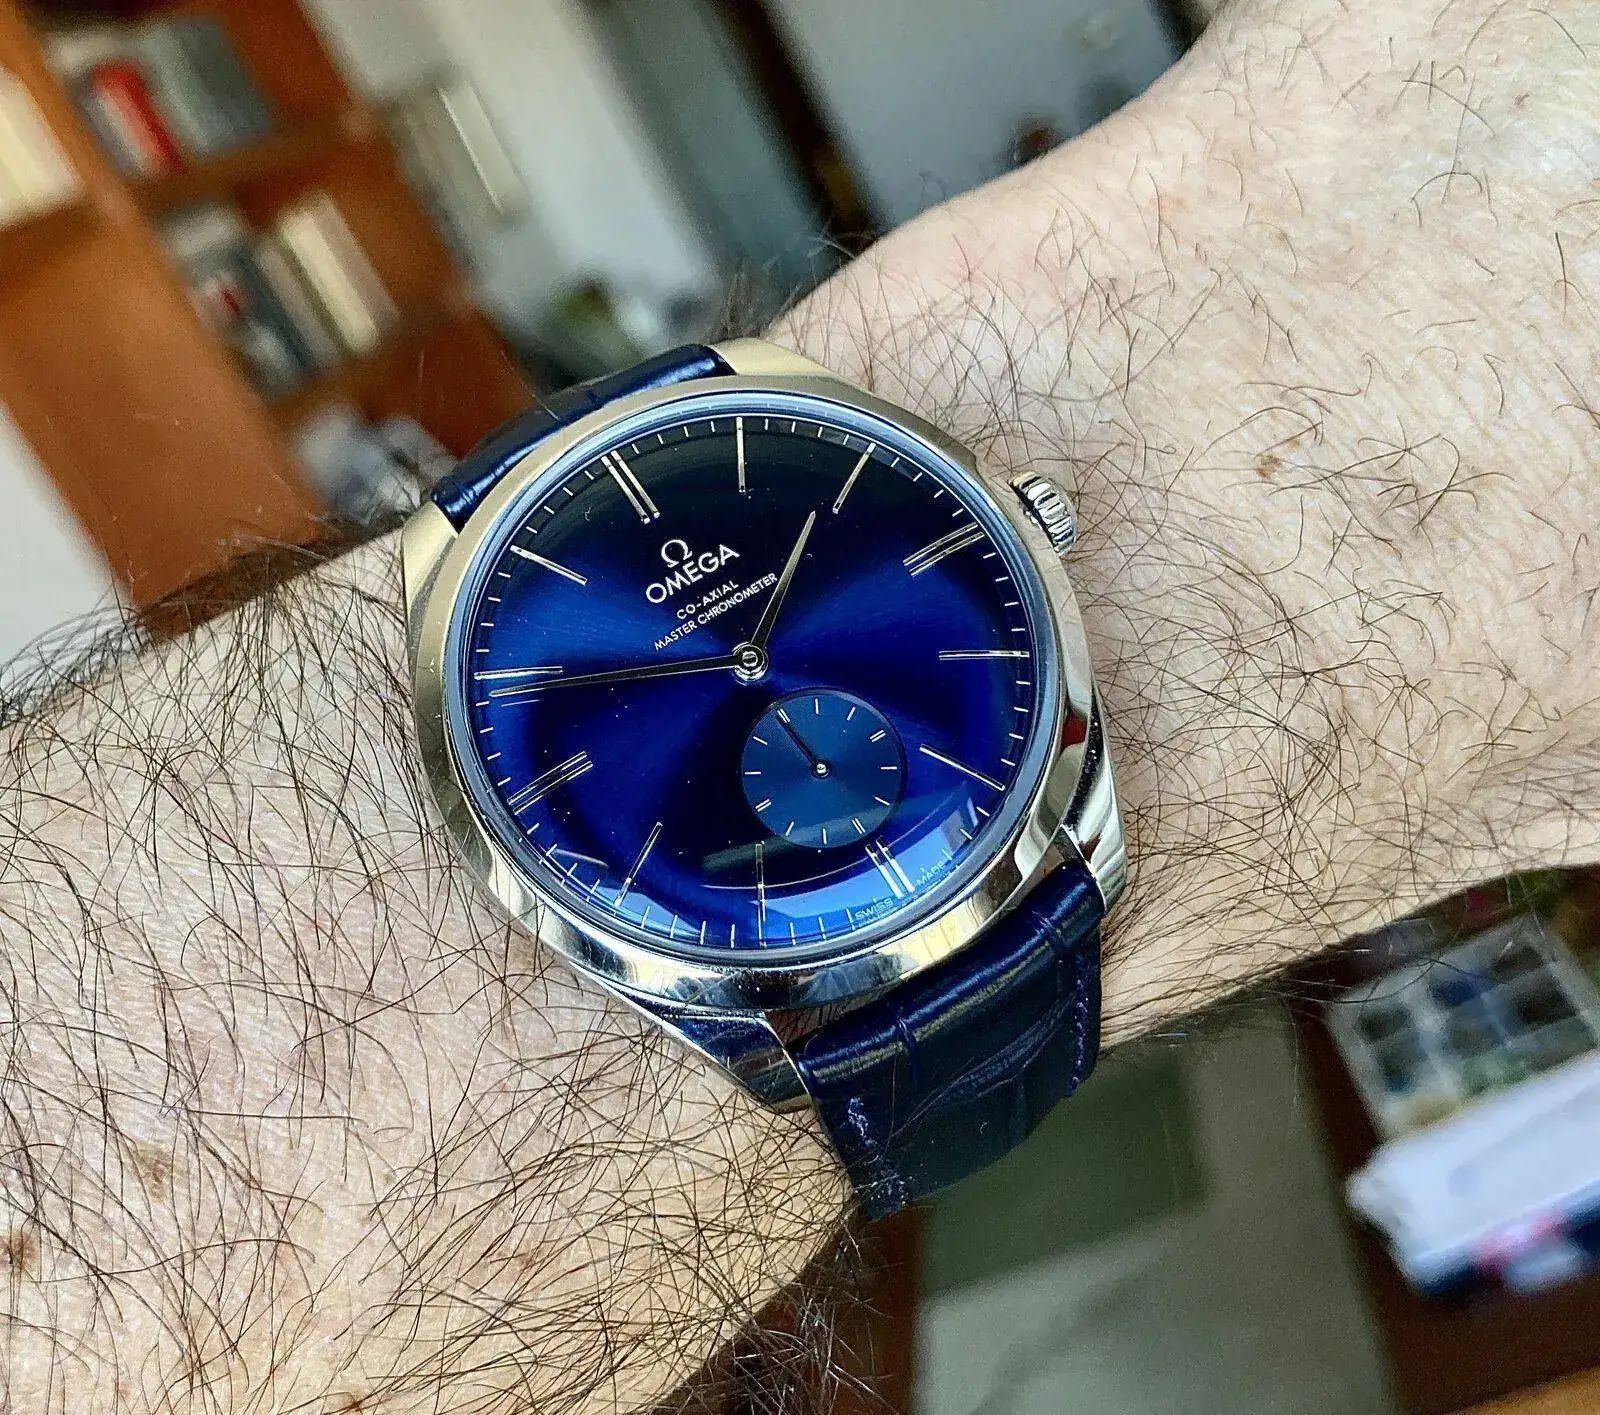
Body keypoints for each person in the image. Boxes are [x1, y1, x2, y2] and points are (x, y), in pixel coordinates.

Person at [2, 0, 1595, 1409]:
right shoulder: (553, 792)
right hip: (790, 925)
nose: (743, 660)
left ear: (1023, 519)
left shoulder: (969, 619)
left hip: (974, 823)